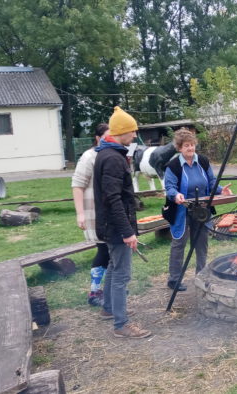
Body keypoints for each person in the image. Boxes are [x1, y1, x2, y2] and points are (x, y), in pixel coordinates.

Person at [93, 106, 151, 338]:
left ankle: (108, 308)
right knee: (121, 274)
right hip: (116, 227)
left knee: (113, 267)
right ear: (121, 131)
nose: (135, 135)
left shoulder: (107, 153)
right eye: (132, 131)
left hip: (111, 225)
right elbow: (113, 199)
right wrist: (127, 232)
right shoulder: (113, 158)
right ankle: (121, 324)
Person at [163, 128, 232, 291]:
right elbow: (170, 187)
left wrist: (221, 190)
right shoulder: (173, 166)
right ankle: (174, 279)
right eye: (186, 145)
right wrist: (176, 195)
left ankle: (201, 274)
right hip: (181, 210)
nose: (190, 148)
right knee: (179, 243)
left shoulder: (202, 161)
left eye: (192, 145)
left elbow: (211, 181)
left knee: (202, 242)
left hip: (201, 210)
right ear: (179, 148)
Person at [72, 123, 110, 307]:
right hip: (94, 212)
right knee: (103, 250)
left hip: (110, 213)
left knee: (112, 251)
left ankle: (110, 287)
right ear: (98, 138)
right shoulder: (89, 157)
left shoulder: (113, 154)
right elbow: (77, 185)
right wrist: (80, 214)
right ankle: (94, 291)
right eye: (106, 136)